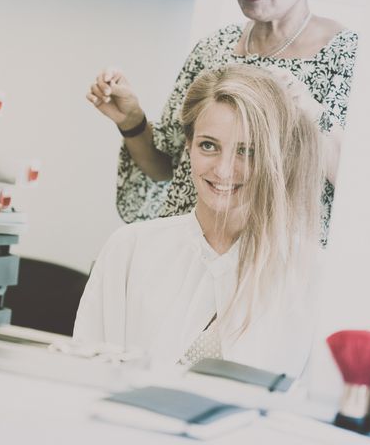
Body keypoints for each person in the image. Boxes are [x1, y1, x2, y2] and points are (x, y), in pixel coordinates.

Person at [75, 64, 324, 377]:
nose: (223, 170)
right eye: (209, 145)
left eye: (247, 152)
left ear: (275, 158)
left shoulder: (310, 272)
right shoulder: (130, 248)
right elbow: (85, 369)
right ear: (188, 146)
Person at [87, 0, 357, 245]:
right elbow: (166, 167)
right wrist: (132, 121)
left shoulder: (347, 56)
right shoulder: (213, 48)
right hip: (186, 250)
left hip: (271, 260)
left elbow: (361, 187)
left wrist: (310, 112)